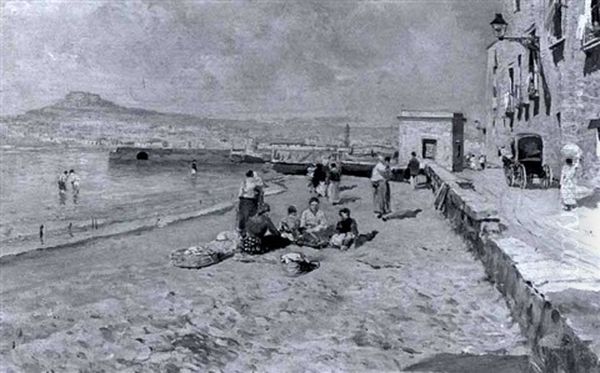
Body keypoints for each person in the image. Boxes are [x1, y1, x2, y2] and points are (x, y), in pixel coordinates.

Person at [237, 170, 263, 235]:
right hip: (250, 200)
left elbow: (240, 193)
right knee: (251, 216)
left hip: (242, 200)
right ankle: (250, 232)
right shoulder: (254, 181)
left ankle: (241, 231)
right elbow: (260, 190)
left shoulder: (244, 181)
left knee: (243, 216)